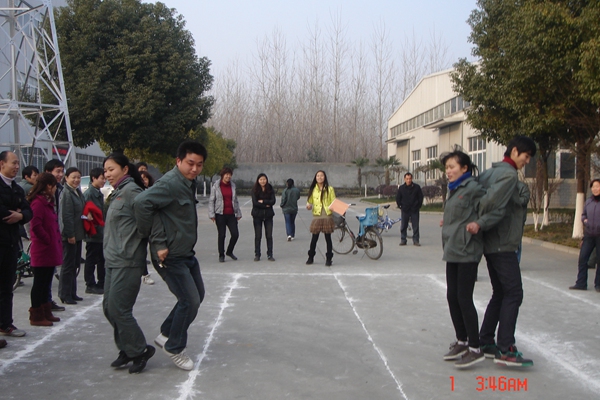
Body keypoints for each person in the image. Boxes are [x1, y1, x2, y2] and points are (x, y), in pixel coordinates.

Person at [134, 141, 207, 371]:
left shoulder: (187, 182)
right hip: (170, 255)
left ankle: (166, 333)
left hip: (186, 253)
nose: (194, 169)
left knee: (197, 295)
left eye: (199, 165)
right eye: (190, 163)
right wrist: (157, 242)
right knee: (189, 301)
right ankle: (174, 347)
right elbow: (141, 203)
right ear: (178, 161)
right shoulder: (170, 183)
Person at [465, 136, 537, 368]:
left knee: (500, 292)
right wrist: (482, 221)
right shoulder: (508, 174)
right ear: (514, 151)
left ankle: (487, 340)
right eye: (526, 156)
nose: (527, 161)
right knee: (514, 293)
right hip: (502, 243)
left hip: (492, 242)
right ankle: (505, 348)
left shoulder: (490, 172)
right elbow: (489, 203)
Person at [102, 153, 155, 374]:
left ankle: (140, 350)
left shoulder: (132, 192)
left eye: (111, 169)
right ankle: (127, 347)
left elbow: (147, 224)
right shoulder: (117, 193)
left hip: (127, 259)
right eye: (105, 170)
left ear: (125, 169)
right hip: (112, 259)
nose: (107, 174)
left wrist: (133, 243)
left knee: (119, 308)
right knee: (109, 307)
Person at [440, 150, 486, 368]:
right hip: (453, 248)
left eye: (452, 167)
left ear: (464, 168)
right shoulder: (454, 189)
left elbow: (489, 210)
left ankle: (475, 347)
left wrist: (479, 224)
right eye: (446, 168)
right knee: (452, 296)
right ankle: (462, 340)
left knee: (464, 297)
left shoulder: (474, 188)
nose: (448, 171)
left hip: (468, 249)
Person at [0, 151, 32, 337]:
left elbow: (28, 211)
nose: (17, 166)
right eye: (13, 163)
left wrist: (20, 215)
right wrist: (14, 213)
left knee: (7, 287)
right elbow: (3, 213)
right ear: (2, 164)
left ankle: (6, 324)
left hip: (12, 244)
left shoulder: (17, 189)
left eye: (18, 163)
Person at [27, 173, 62, 326]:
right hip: (42, 250)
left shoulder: (47, 202)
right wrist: (47, 239)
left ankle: (46, 311)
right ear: (48, 186)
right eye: (54, 186)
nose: (55, 189)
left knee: (46, 282)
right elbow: (35, 226)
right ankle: (36, 315)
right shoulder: (38, 203)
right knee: (39, 284)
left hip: (50, 249)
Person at [58, 167, 85, 305]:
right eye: (73, 177)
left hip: (78, 234)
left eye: (78, 177)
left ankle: (72, 292)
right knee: (68, 265)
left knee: (75, 264)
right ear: (66, 178)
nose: (76, 180)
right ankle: (65, 294)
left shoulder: (77, 192)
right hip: (70, 235)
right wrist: (70, 234)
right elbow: (66, 216)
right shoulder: (66, 193)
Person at [569, 179, 600, 292]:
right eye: (593, 187)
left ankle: (598, 284)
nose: (595, 189)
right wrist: (585, 220)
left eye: (597, 186)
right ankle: (581, 283)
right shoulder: (588, 201)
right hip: (589, 234)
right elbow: (583, 214)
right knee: (583, 258)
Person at [44, 159, 66, 312]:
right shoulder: (42, 192)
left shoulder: (60, 189)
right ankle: (43, 304)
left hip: (56, 234)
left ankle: (48, 301)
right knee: (44, 274)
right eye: (57, 171)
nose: (60, 174)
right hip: (46, 237)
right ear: (48, 172)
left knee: (51, 271)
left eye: (61, 171)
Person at [208, 167, 241, 263]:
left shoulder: (233, 185)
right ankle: (221, 255)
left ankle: (229, 251)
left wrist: (238, 213)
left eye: (230, 174)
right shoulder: (216, 186)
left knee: (235, 234)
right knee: (222, 235)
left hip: (231, 214)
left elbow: (235, 200)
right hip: (220, 214)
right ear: (222, 175)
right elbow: (211, 200)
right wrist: (211, 214)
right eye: (226, 174)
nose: (228, 176)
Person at [83, 167, 106, 295]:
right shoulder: (89, 194)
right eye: (102, 178)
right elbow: (87, 214)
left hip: (100, 232)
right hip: (93, 233)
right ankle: (90, 284)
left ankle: (101, 282)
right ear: (94, 178)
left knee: (101, 259)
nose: (104, 181)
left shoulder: (98, 193)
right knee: (91, 259)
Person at [306, 170, 336, 267]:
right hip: (317, 216)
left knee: (328, 238)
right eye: (318, 176)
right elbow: (309, 201)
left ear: (325, 177)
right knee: (314, 238)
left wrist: (334, 207)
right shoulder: (313, 189)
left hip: (327, 215)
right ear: (315, 178)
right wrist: (308, 206)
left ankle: (329, 259)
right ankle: (310, 257)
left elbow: (334, 201)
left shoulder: (330, 189)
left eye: (321, 175)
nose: (319, 177)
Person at [251, 173, 276, 262]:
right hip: (257, 215)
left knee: (269, 235)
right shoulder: (254, 189)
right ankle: (257, 254)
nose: (263, 181)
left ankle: (270, 254)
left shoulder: (270, 188)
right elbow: (255, 203)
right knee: (258, 236)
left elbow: (273, 201)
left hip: (268, 216)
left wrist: (263, 201)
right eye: (261, 179)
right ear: (258, 180)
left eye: (264, 179)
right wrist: (266, 205)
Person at [396, 172, 424, 246]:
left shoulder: (417, 187)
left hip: (414, 209)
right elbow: (398, 198)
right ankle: (403, 240)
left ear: (412, 179)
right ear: (404, 179)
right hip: (405, 209)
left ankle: (416, 240)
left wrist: (418, 206)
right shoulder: (401, 188)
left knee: (415, 226)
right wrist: (400, 206)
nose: (408, 180)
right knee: (404, 225)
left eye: (410, 179)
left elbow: (420, 197)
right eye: (407, 179)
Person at [139, 169, 155, 285]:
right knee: (141, 252)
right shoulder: (137, 193)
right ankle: (144, 274)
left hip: (152, 226)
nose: (144, 181)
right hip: (141, 227)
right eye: (141, 179)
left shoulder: (152, 192)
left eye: (146, 178)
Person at [18, 165, 38, 240]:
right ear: (26, 176)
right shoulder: (30, 188)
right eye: (35, 175)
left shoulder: (18, 184)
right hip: (25, 219)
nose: (37, 177)